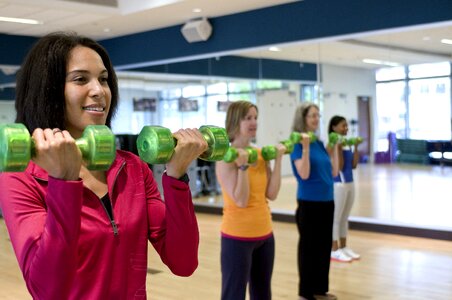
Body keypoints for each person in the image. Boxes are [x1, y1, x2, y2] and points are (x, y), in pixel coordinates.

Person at [0, 32, 207, 299]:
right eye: (80, 79)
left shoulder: (131, 167)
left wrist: (177, 177)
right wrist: (63, 182)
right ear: (48, 89)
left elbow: (183, 262)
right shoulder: (21, 178)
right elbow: (49, 289)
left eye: (104, 79)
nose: (99, 90)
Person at [215, 100, 286, 300]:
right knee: (233, 295)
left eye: (255, 117)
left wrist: (278, 160)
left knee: (263, 293)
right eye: (248, 118)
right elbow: (241, 201)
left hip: (265, 234)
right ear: (236, 121)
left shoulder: (260, 153)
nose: (254, 122)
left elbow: (272, 194)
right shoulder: (225, 158)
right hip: (237, 237)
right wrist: (243, 167)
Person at [290, 102, 339, 300]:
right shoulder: (297, 144)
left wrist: (334, 148)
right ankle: (305, 293)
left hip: (327, 201)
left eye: (318, 115)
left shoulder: (318, 143)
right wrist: (305, 147)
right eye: (312, 116)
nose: (316, 119)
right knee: (309, 249)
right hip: (309, 203)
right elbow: (304, 173)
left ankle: (320, 289)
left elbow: (333, 172)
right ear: (302, 118)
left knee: (323, 247)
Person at [328, 116, 361, 262]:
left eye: (347, 126)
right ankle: (334, 249)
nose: (346, 128)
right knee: (336, 218)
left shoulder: (346, 143)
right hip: (338, 184)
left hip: (350, 182)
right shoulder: (332, 143)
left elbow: (353, 165)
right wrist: (338, 148)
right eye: (343, 126)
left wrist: (355, 147)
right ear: (334, 128)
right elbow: (339, 166)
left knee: (345, 217)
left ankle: (344, 246)